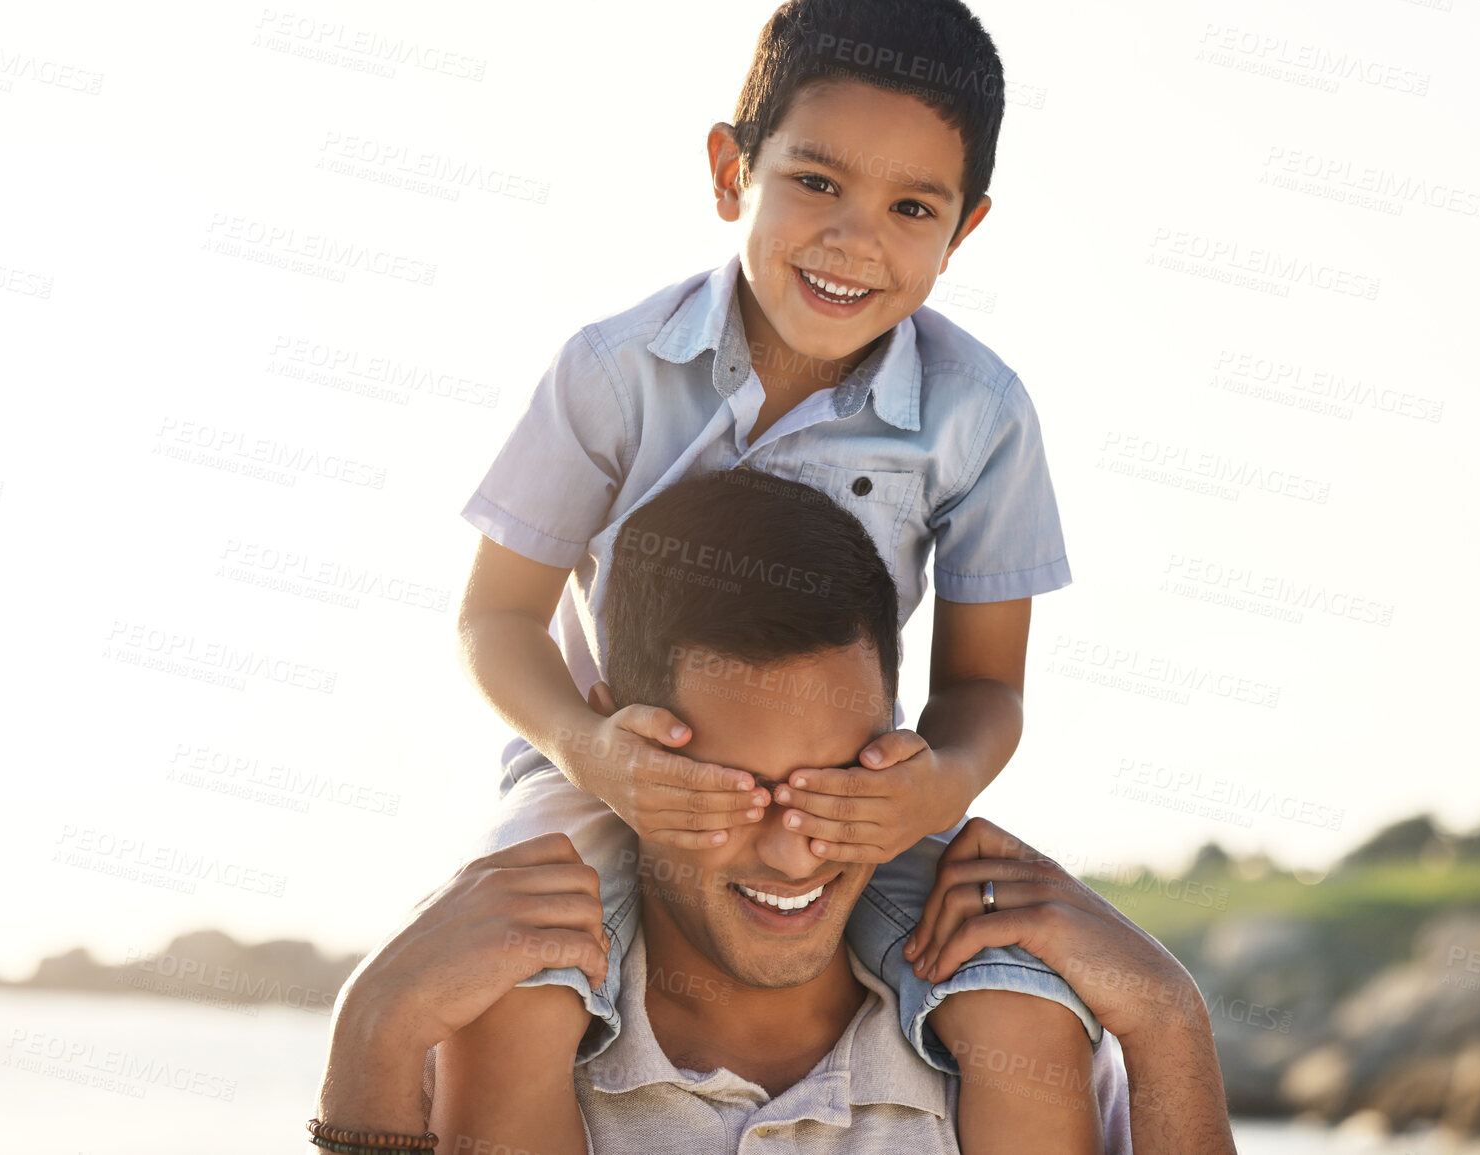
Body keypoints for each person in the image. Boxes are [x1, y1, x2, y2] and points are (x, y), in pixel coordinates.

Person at [451, 0, 1103, 1142]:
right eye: (816, 184)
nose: (856, 239)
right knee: (504, 988)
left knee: (1020, 1003)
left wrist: (930, 791)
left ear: (966, 231)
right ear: (729, 170)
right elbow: (496, 619)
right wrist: (594, 752)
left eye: (912, 208)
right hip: (607, 764)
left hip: (850, 789)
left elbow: (986, 692)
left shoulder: (980, 415)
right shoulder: (614, 372)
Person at [313, 475, 1236, 1151]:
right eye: (732, 790)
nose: (796, 851)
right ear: (615, 754)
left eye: (836, 782)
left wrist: (1167, 1018)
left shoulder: (1017, 1041)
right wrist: (369, 1033)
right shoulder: (498, 1036)